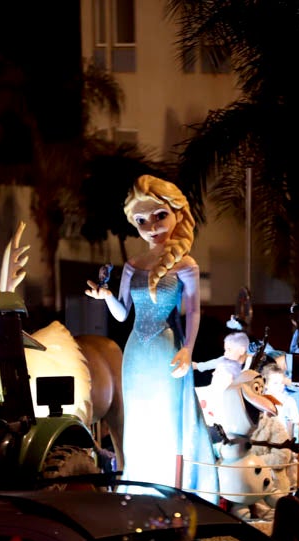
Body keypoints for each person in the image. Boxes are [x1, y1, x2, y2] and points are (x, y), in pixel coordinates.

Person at [85, 175, 218, 495]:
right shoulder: (132, 265)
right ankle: (139, 486)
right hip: (136, 353)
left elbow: (194, 312)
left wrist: (188, 348)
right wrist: (107, 298)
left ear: (177, 215)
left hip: (166, 349)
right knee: (139, 419)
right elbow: (122, 314)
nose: (152, 226)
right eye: (142, 220)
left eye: (160, 216)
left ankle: (171, 487)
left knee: (167, 419)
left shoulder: (186, 264)